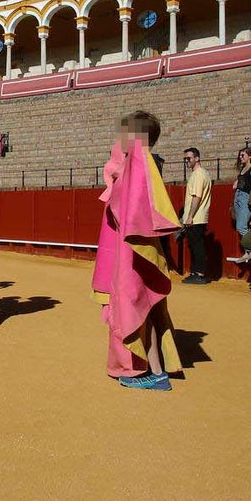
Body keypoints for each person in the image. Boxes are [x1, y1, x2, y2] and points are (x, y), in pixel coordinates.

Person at [91, 111, 184, 391]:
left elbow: (123, 204)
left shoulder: (136, 164)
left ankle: (148, 371)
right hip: (137, 247)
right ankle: (155, 369)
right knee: (145, 304)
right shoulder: (140, 163)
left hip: (133, 248)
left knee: (135, 303)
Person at [180, 147, 212, 285]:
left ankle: (199, 273)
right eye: (186, 159)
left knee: (197, 246)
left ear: (197, 158)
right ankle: (195, 272)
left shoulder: (198, 174)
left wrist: (190, 216)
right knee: (194, 245)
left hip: (196, 217)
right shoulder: (200, 174)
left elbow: (197, 197)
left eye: (189, 158)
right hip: (197, 216)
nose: (187, 161)